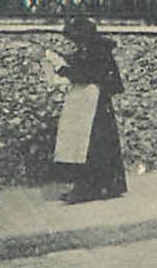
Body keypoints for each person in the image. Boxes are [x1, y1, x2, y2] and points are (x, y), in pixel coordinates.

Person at [53, 16, 128, 203]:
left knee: (91, 147)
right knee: (96, 147)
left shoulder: (98, 51)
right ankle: (102, 187)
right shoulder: (93, 49)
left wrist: (66, 70)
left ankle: (89, 189)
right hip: (94, 104)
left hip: (96, 105)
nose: (76, 45)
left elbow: (89, 74)